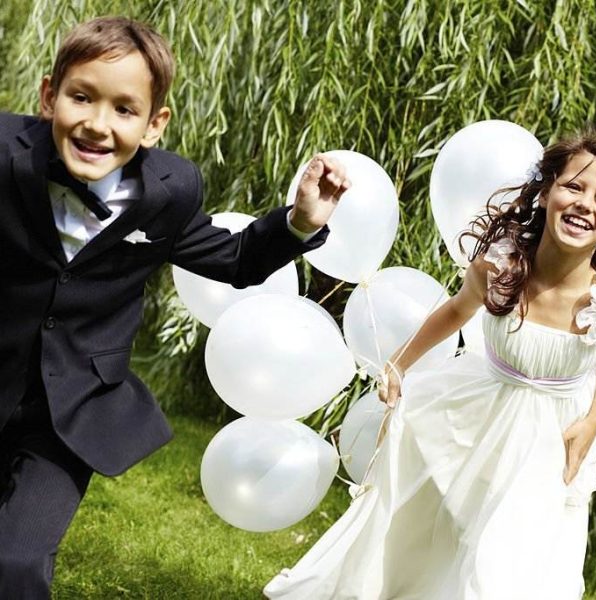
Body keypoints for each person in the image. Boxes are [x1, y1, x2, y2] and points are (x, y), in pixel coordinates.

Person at [0, 16, 350, 598]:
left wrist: (301, 220)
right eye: (81, 97)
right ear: (48, 96)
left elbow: (234, 260)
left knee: (16, 564)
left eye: (123, 109)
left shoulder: (170, 190)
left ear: (154, 124)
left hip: (67, 411)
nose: (96, 123)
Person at [264, 130, 596, 600]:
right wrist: (399, 366)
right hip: (481, 417)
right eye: (574, 186)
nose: (586, 203)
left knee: (515, 562)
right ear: (545, 192)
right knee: (444, 538)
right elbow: (456, 312)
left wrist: (591, 422)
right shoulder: (500, 266)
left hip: (551, 440)